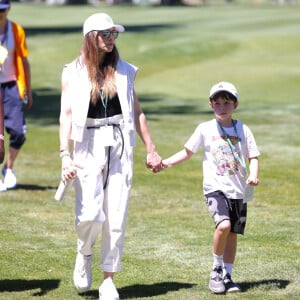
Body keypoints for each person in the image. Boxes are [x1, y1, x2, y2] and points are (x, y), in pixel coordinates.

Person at [58, 12, 161, 300]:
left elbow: (137, 111)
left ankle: (108, 279)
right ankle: (85, 251)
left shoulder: (125, 70)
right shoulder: (73, 71)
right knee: (90, 214)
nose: (111, 38)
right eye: (105, 34)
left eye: (113, 33)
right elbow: (65, 114)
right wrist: (64, 155)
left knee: (116, 214)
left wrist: (151, 148)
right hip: (86, 143)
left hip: (119, 143)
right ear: (91, 37)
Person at [160, 82, 260, 294]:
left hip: (239, 191)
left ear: (235, 104)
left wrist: (253, 174)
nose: (222, 107)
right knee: (223, 226)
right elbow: (187, 152)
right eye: (217, 102)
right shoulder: (204, 129)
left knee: (232, 233)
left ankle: (228, 275)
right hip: (215, 188)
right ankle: (216, 270)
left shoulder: (243, 129)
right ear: (211, 104)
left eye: (227, 102)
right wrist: (166, 163)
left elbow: (253, 155)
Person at [0, 0, 33, 192]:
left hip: (12, 85)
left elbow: (24, 60)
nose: (0, 13)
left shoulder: (16, 30)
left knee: (19, 132)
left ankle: (8, 168)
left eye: (3, 10)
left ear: (8, 9)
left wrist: (28, 89)